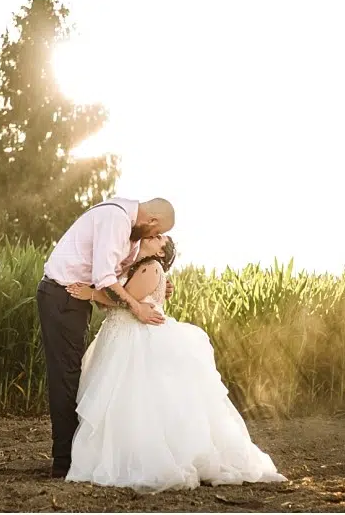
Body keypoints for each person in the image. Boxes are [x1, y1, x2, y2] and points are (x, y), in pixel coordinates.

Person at [63, 235, 288, 492]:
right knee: (122, 402)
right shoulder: (136, 267)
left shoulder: (151, 267)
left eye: (159, 237)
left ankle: (139, 459)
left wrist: (91, 293)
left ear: (161, 251)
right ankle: (119, 454)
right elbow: (118, 301)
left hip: (134, 337)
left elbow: (123, 301)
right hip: (121, 334)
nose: (152, 236)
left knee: (132, 400)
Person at [37, 197, 176, 478]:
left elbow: (116, 279)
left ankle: (75, 456)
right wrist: (138, 306)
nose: (153, 238)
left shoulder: (131, 233)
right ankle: (64, 462)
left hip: (75, 299)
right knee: (66, 377)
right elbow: (104, 279)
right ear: (153, 222)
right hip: (62, 295)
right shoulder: (117, 219)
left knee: (73, 376)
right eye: (156, 233)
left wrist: (156, 285)